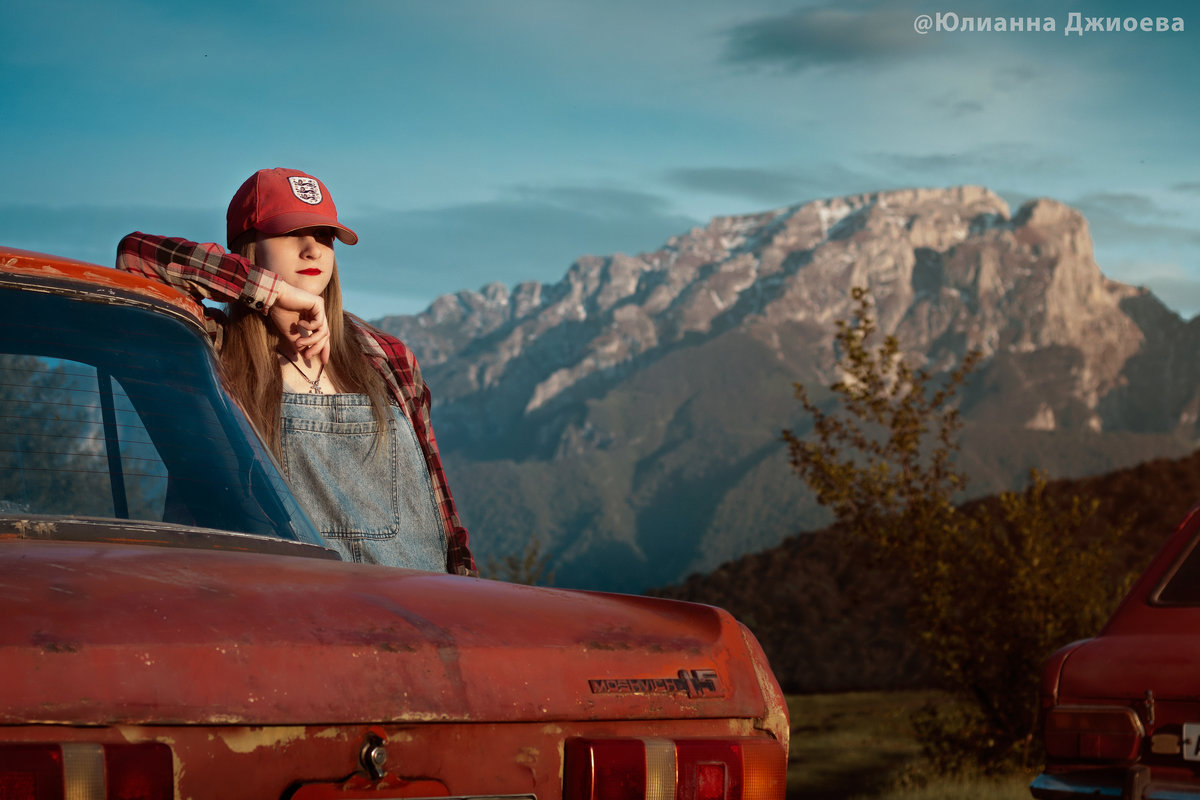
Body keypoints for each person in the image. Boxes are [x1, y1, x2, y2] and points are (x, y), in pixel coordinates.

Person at [116, 167, 476, 576]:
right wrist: (275, 294)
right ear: (247, 248)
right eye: (290, 233)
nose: (313, 250)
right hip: (280, 620)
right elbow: (135, 257)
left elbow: (441, 509)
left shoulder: (387, 356)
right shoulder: (212, 348)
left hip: (415, 612)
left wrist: (468, 596)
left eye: (324, 237)